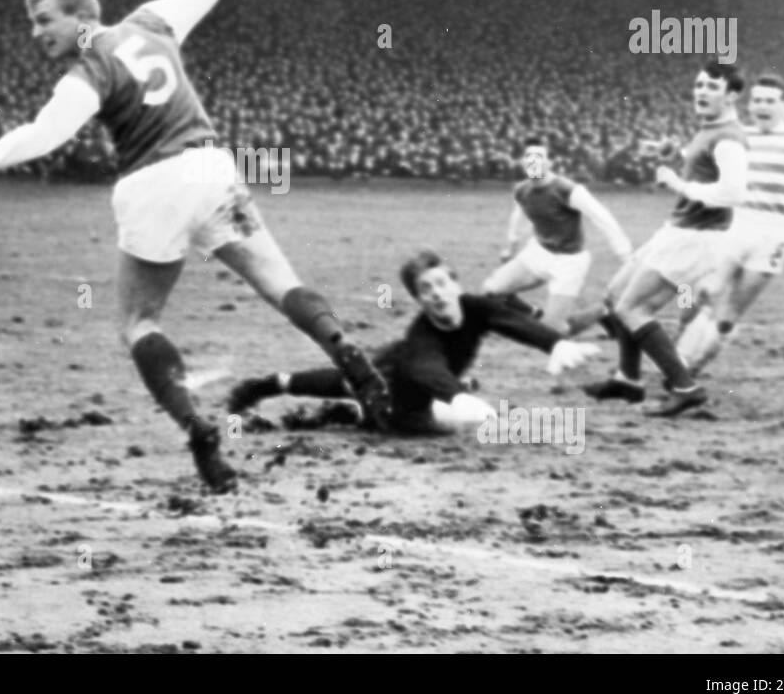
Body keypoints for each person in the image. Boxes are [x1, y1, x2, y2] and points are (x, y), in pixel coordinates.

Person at [0, 0, 391, 494]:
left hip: (153, 184)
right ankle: (348, 355)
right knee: (278, 281)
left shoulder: (90, 68)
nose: (37, 33)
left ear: (85, 16)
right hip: (215, 169)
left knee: (139, 321)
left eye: (45, 21)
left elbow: (41, 136)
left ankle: (199, 430)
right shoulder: (153, 23)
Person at [226, 249, 601, 434]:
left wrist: (555, 344)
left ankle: (291, 388)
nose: (436, 294)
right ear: (419, 300)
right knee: (468, 425)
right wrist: (458, 394)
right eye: (426, 290)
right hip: (406, 410)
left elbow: (510, 320)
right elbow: (427, 367)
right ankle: (341, 410)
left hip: (405, 375)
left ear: (454, 283)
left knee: (359, 377)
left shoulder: (474, 306)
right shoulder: (422, 336)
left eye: (441, 284)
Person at [583, 62, 748, 417]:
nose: (701, 92)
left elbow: (734, 191)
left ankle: (685, 387)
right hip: (678, 230)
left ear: (732, 95)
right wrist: (675, 153)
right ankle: (628, 379)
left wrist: (679, 184)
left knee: (632, 308)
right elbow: (704, 165)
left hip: (697, 238)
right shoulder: (711, 129)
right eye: (699, 85)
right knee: (615, 296)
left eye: (712, 87)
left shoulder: (729, 138)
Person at [675, 74, 784, 373]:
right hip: (733, 224)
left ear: (783, 106)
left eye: (770, 101)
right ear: (749, 104)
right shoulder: (737, 135)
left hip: (774, 233)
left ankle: (694, 368)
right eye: (757, 100)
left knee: (730, 314)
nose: (762, 106)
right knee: (703, 291)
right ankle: (676, 354)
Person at [482, 136, 632, 335]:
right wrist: (511, 245)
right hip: (538, 253)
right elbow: (518, 216)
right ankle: (534, 314)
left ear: (549, 163)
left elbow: (603, 218)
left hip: (569, 262)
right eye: (528, 157)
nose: (533, 161)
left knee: (552, 332)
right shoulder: (522, 190)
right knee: (490, 291)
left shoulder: (567, 190)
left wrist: (625, 256)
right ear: (522, 162)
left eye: (539, 157)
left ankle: (602, 311)